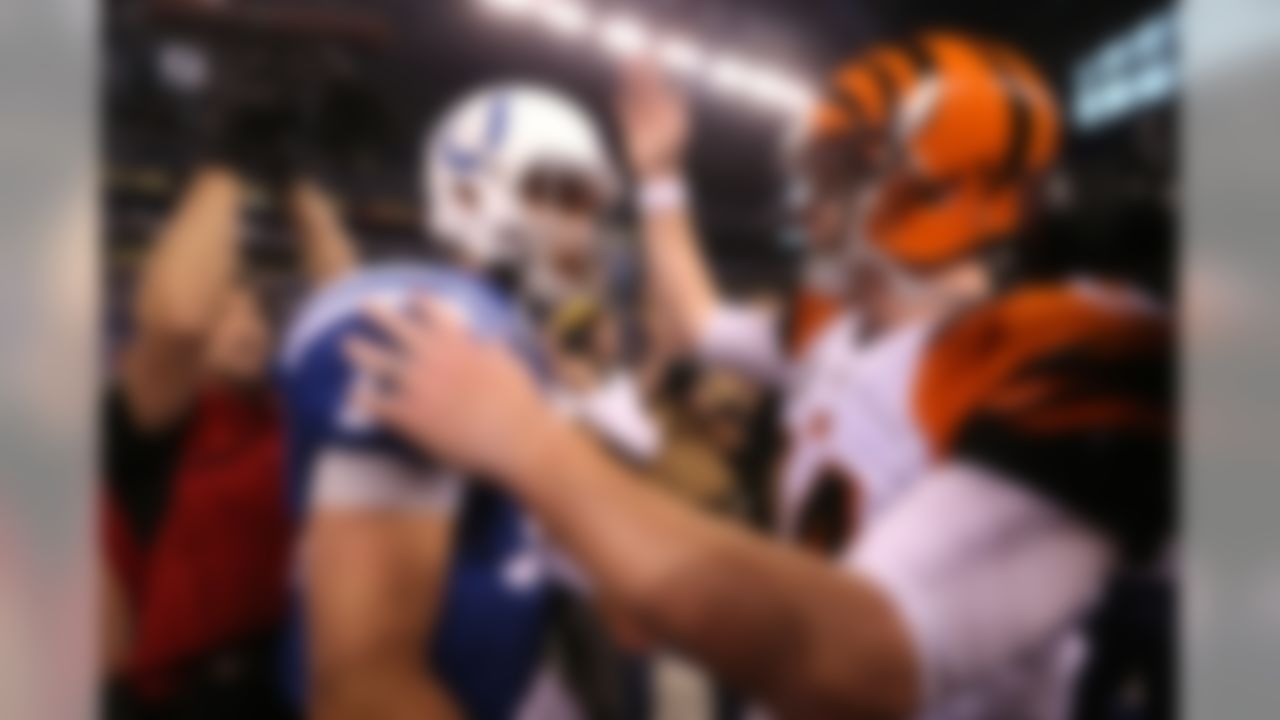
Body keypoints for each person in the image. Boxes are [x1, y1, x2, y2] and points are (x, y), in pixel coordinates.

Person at [340, 31, 1172, 720]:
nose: (807, 198)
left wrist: (525, 442)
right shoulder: (836, 333)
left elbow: (871, 652)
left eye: (843, 170)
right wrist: (662, 174)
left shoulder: (1074, 348)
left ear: (947, 185)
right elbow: (698, 319)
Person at [278, 83, 629, 720]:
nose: (580, 224)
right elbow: (362, 692)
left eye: (587, 200)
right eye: (555, 192)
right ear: (467, 192)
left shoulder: (506, 333)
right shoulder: (433, 322)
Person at [102, 166, 357, 719]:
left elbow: (352, 318)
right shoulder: (151, 422)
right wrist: (231, 164)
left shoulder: (283, 410)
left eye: (253, 311)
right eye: (225, 312)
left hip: (284, 678)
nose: (248, 326)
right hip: (176, 699)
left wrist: (297, 183)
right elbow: (177, 324)